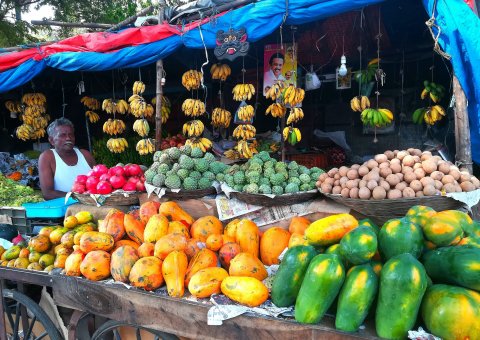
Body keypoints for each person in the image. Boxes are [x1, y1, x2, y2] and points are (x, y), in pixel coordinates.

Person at [39, 118, 95, 200]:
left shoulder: (85, 155)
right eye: (62, 135)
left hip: (92, 206)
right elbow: (48, 194)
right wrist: (79, 197)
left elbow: (99, 181)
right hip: (65, 211)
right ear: (51, 140)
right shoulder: (48, 157)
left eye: (71, 134)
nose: (68, 138)